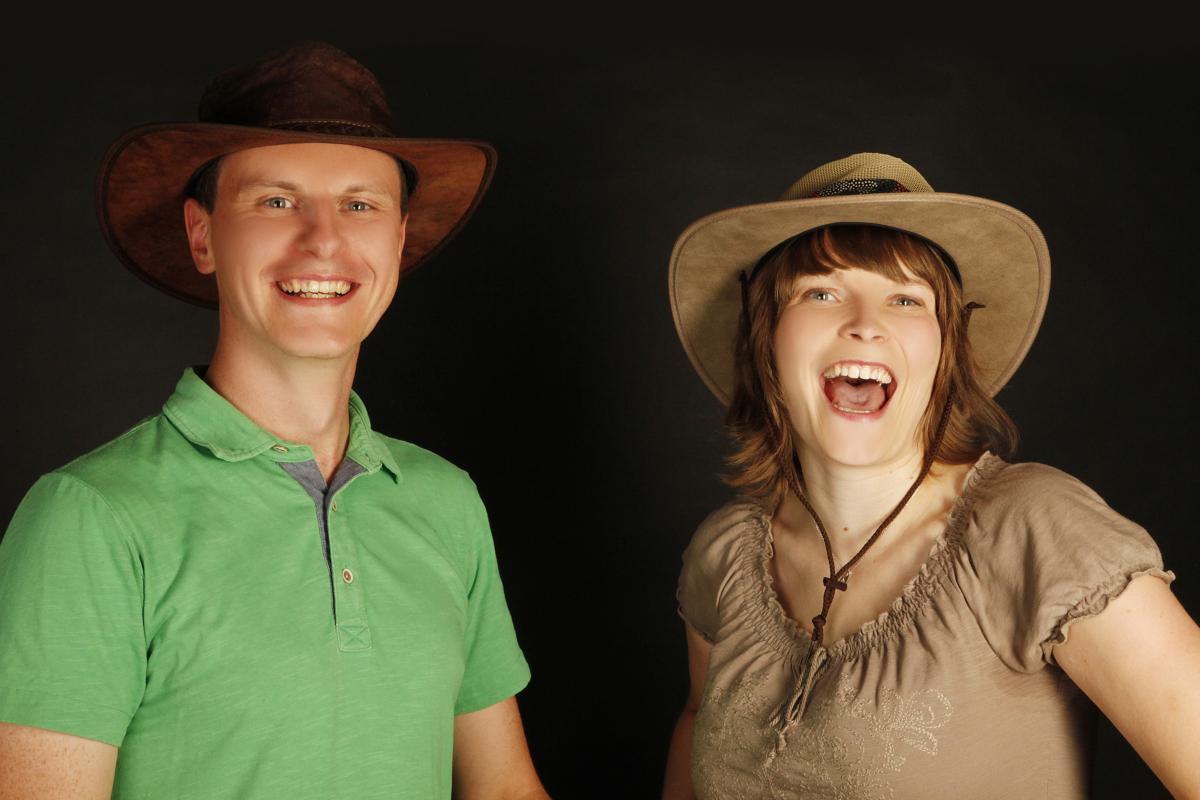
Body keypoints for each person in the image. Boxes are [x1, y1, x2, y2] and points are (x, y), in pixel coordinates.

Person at [0, 42, 549, 799]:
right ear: (203, 235)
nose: (323, 239)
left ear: (397, 240)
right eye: (277, 201)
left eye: (360, 204)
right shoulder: (88, 518)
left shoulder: (446, 501)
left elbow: (505, 789)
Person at [660, 153, 1200, 798]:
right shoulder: (724, 552)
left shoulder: (1037, 527)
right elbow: (698, 724)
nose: (865, 324)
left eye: (906, 299)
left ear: (946, 349)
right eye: (821, 292)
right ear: (766, 337)